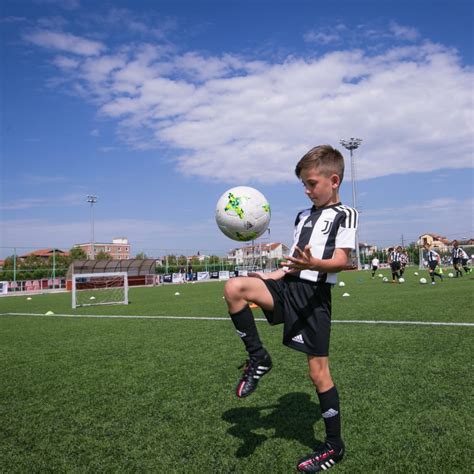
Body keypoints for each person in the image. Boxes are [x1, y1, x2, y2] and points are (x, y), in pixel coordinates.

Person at [224, 144, 358, 472]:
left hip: (314, 300)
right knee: (235, 288)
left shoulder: (345, 215)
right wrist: (275, 274)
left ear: (334, 180)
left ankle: (333, 446)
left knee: (318, 373)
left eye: (312, 183)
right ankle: (258, 358)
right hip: (288, 287)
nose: (307, 189)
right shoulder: (302, 216)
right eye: (304, 184)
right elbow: (294, 262)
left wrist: (316, 262)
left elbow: (343, 260)